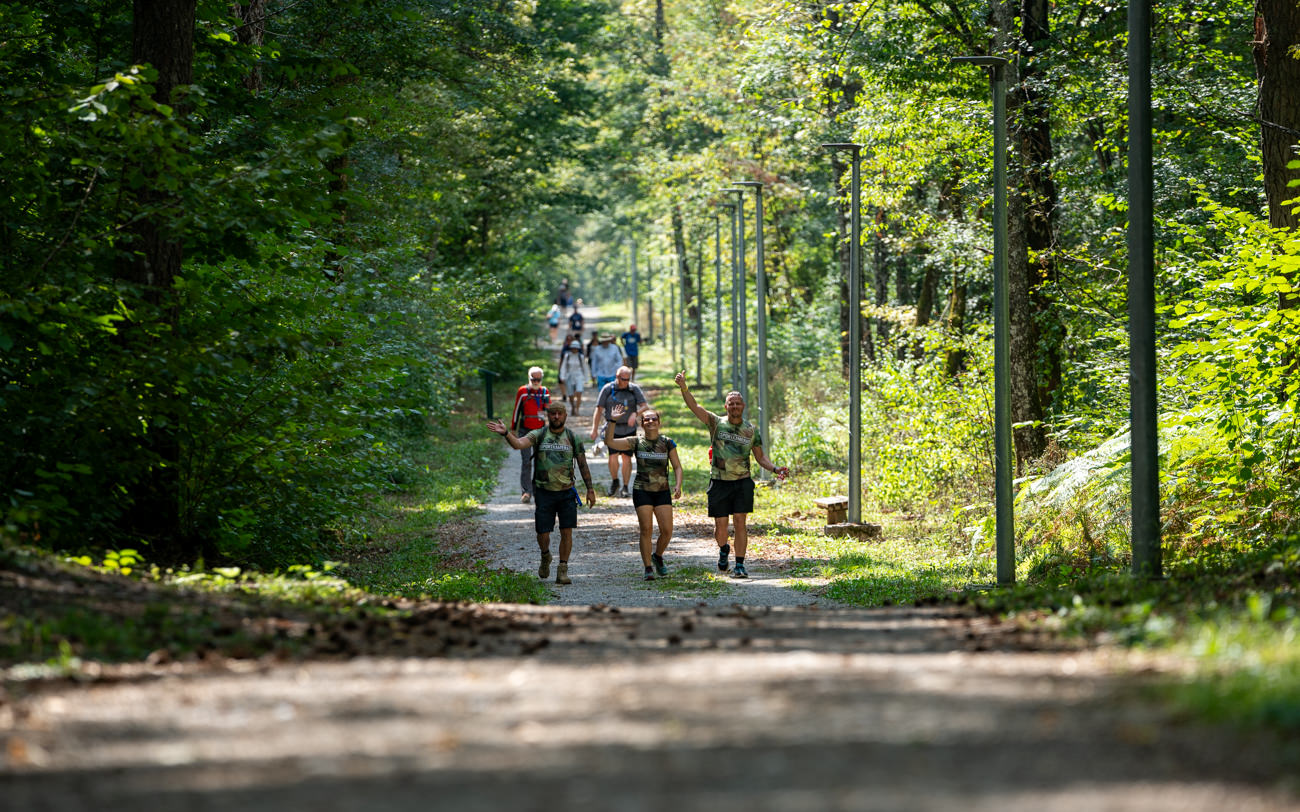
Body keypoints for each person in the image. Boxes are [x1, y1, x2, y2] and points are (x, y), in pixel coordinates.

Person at [674, 371, 789, 579]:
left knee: (740, 522)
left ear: (743, 406)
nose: (734, 406)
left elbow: (761, 457)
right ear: (726, 407)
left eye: (738, 403)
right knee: (720, 527)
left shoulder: (751, 430)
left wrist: (775, 469)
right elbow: (695, 407)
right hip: (719, 482)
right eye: (731, 403)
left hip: (742, 482)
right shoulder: (716, 423)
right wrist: (684, 387)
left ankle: (740, 564)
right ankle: (724, 548)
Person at [487, 402, 595, 585]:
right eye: (552, 414)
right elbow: (519, 444)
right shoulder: (539, 434)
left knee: (566, 531)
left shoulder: (572, 437)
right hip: (544, 492)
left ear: (565, 416)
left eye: (559, 414)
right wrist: (506, 433)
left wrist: (590, 489)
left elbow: (583, 464)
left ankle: (563, 569)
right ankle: (545, 555)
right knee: (543, 532)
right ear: (548, 415)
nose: (556, 417)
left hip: (566, 492)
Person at [605, 403, 682, 580]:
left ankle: (658, 556)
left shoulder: (667, 442)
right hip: (642, 490)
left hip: (662, 491)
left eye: (654, 419)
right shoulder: (636, 441)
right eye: (646, 419)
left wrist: (678, 485)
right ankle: (648, 567)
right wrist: (612, 421)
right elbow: (609, 442)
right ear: (642, 423)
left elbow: (677, 467)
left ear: (659, 422)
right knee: (646, 529)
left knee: (667, 530)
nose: (650, 421)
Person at [591, 365, 648, 498]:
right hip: (612, 428)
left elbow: (645, 406)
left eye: (628, 379)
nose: (626, 382)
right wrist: (594, 429)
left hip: (629, 429)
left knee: (627, 458)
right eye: (624, 379)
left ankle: (626, 486)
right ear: (617, 377)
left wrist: (635, 413)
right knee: (612, 457)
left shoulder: (633, 389)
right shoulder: (608, 389)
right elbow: (598, 409)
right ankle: (615, 481)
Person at [510, 367, 551, 504]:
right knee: (526, 461)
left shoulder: (544, 392)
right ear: (529, 378)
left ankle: (538, 490)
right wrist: (513, 430)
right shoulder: (522, 392)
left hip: (540, 431)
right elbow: (516, 411)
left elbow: (550, 411)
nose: (536, 381)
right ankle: (526, 492)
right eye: (534, 379)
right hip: (525, 431)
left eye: (539, 379)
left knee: (540, 462)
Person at [557, 338, 590, 416]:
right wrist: (562, 376)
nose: (574, 349)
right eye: (573, 348)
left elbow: (584, 367)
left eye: (576, 348)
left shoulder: (580, 357)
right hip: (569, 376)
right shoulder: (567, 356)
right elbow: (564, 366)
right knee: (571, 394)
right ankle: (573, 406)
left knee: (579, 392)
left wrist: (586, 378)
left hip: (579, 376)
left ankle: (577, 409)